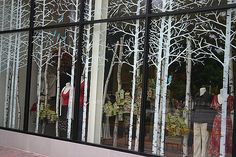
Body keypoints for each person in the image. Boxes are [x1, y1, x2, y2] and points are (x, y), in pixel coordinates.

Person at [208, 89, 234, 156]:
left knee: (227, 137)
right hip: (217, 120)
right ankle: (217, 154)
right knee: (216, 137)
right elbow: (213, 106)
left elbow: (231, 108)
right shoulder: (215, 97)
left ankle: (224, 154)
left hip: (227, 120)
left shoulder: (230, 98)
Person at [192, 87, 213, 157]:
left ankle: (204, 155)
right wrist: (193, 119)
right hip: (196, 120)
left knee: (205, 140)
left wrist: (210, 123)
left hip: (205, 121)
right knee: (196, 139)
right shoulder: (196, 95)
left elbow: (211, 110)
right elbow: (194, 109)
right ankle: (196, 155)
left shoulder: (209, 96)